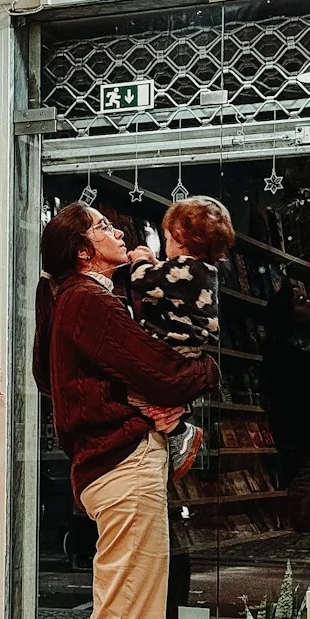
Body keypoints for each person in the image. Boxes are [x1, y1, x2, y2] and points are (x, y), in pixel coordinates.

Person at [33, 202, 219, 619]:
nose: (118, 233)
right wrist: (199, 374)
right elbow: (163, 370)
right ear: (84, 252)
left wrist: (142, 394)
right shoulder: (90, 299)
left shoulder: (66, 301)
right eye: (102, 228)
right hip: (125, 462)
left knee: (117, 612)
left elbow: (49, 376)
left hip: (103, 470)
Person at [118, 194, 235, 478]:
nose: (166, 245)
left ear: (183, 242)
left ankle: (179, 431)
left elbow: (143, 280)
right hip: (185, 350)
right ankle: (176, 428)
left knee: (135, 396)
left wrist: (141, 259)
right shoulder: (205, 271)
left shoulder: (184, 269)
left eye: (168, 239)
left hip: (170, 349)